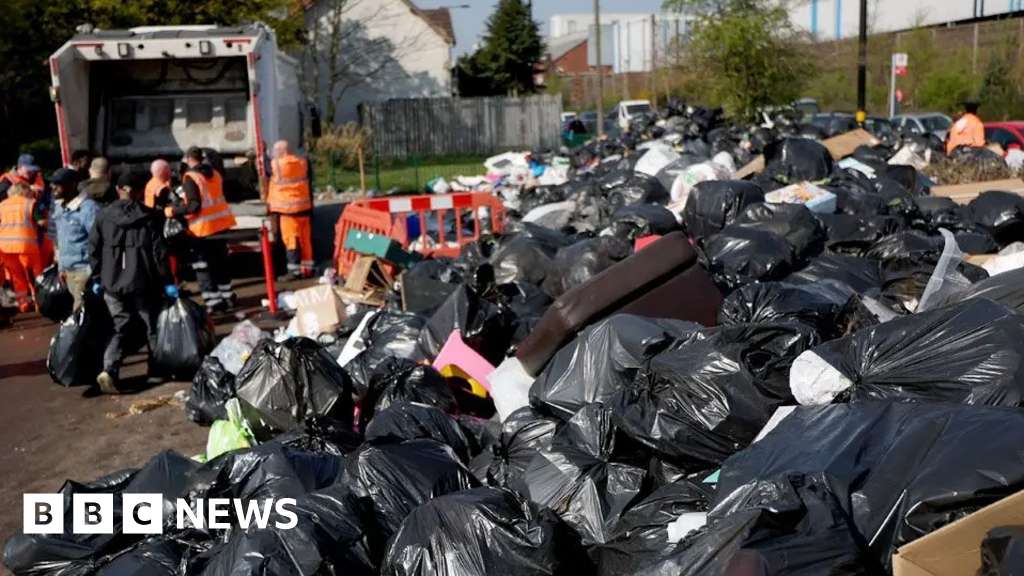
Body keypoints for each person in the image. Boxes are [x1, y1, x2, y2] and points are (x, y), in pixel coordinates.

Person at [89, 172, 176, 394]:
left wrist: (98, 279)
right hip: (143, 282)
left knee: (120, 326)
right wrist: (168, 281)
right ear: (138, 192)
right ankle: (156, 372)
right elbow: (159, 254)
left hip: (111, 283)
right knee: (152, 328)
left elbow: (94, 250)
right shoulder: (150, 217)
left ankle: (109, 369)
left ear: (118, 189)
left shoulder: (103, 216)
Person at [166, 146, 237, 313]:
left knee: (203, 266)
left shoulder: (190, 177)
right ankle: (228, 297)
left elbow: (193, 205)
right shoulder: (215, 173)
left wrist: (172, 211)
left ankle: (213, 303)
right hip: (221, 225)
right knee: (220, 263)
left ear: (189, 160)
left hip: (202, 230)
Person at [50, 168, 99, 311]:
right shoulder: (60, 207)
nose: (54, 188)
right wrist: (61, 267)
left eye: (58, 184)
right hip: (68, 272)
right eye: (53, 184)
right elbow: (60, 238)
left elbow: (97, 241)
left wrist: (92, 272)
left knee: (80, 315)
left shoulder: (88, 209)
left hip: (84, 272)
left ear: (72, 185)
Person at [265, 140, 315, 279]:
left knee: (291, 239)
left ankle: (294, 271)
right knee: (306, 240)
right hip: (303, 207)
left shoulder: (277, 164)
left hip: (288, 210)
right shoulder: (302, 162)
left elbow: (265, 167)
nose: (274, 154)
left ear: (281, 151)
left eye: (275, 151)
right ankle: (308, 269)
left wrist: (262, 152)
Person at [0, 183, 46, 312]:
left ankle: (23, 304)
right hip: (26, 245)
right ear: (25, 191)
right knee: (33, 275)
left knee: (16, 276)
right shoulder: (31, 203)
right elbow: (41, 221)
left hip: (5, 247)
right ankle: (39, 302)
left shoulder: (2, 205)